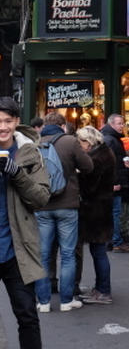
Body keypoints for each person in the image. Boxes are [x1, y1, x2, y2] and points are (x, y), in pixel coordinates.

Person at [0, 97, 50, 348]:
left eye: (8, 121)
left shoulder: (30, 153)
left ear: (17, 122)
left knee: (27, 316)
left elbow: (41, 198)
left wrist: (16, 173)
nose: (2, 127)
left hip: (16, 250)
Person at [34, 112, 93, 313]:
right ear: (63, 125)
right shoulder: (70, 141)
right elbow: (88, 166)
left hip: (42, 205)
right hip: (67, 205)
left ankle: (43, 302)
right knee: (68, 254)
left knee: (43, 255)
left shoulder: (36, 143)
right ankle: (66, 301)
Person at [76, 126, 115, 305]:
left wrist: (79, 175)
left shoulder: (97, 158)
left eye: (80, 142)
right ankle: (101, 288)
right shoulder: (104, 153)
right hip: (101, 208)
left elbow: (90, 187)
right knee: (98, 251)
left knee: (98, 251)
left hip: (96, 210)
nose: (79, 145)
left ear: (89, 142)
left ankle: (104, 291)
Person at [101, 114, 129, 253]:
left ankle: (111, 240)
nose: (122, 126)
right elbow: (108, 163)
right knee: (115, 212)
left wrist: (125, 164)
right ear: (111, 124)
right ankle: (116, 241)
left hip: (115, 179)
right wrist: (113, 182)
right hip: (113, 182)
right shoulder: (110, 140)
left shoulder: (113, 138)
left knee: (113, 212)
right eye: (119, 123)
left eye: (123, 123)